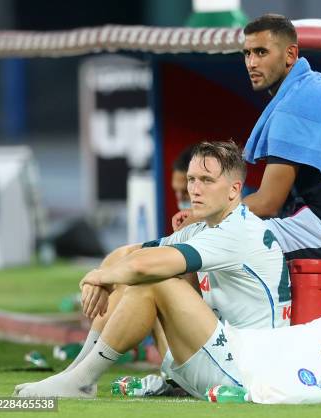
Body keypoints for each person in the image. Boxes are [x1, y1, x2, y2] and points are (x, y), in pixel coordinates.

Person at [15, 140, 291, 398]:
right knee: (135, 272)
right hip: (219, 357)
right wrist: (103, 281)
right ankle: (76, 373)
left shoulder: (238, 230)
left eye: (207, 180)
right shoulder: (203, 228)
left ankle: (82, 380)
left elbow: (143, 266)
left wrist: (100, 276)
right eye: (192, 179)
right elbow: (128, 254)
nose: (195, 189)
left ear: (234, 190)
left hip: (248, 374)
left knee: (154, 280)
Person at [173, 14, 321, 259]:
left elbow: (268, 202)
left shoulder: (296, 105)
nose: (251, 63)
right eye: (247, 53)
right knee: (214, 237)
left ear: (290, 55)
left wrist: (203, 216)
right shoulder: (311, 90)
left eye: (261, 52)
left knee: (213, 240)